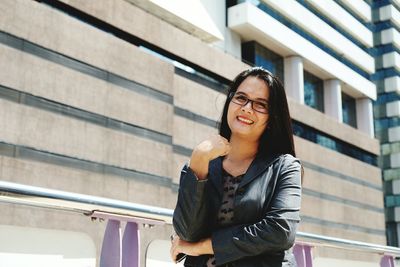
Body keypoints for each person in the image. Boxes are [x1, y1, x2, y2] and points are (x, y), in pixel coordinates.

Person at [171, 67, 302, 267]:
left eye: (260, 105)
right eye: (241, 98)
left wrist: (201, 247)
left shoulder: (284, 167)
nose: (247, 108)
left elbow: (280, 231)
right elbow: (186, 232)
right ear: (230, 102)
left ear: (271, 119)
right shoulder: (202, 163)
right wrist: (198, 160)